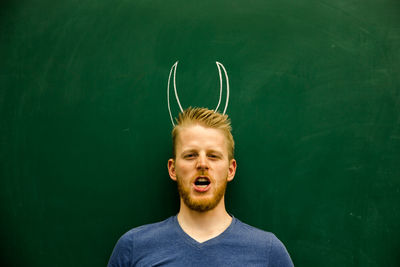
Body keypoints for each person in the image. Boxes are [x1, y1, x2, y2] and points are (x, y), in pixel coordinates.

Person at [108, 107, 294, 267]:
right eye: (190, 155)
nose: (202, 164)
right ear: (173, 169)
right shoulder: (134, 248)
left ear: (230, 170)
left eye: (213, 156)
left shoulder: (268, 253)